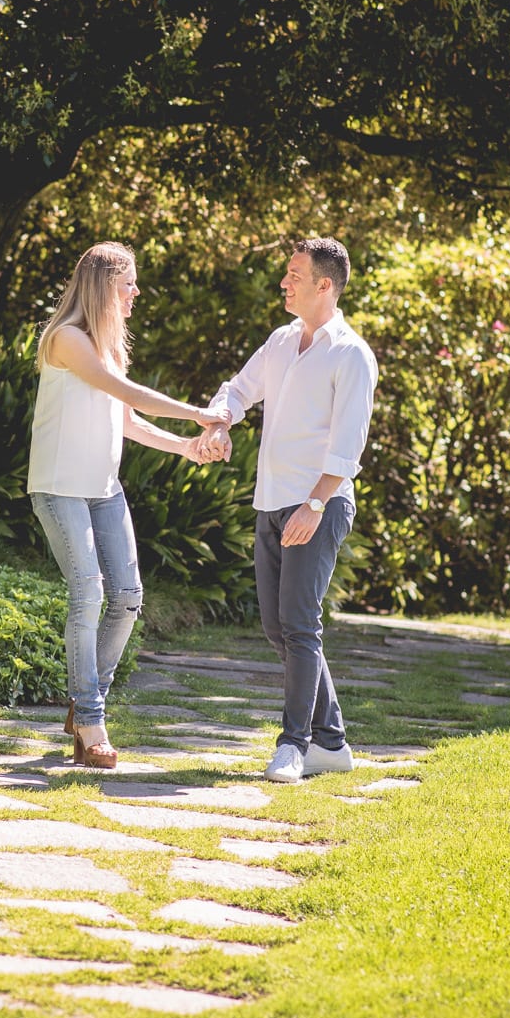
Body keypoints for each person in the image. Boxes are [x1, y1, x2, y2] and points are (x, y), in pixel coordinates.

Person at [27, 242, 227, 769]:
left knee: (128, 596)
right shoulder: (66, 339)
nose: (137, 292)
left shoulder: (109, 346)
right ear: (103, 287)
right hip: (60, 486)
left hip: (104, 488)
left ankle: (85, 701)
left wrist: (187, 446)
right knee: (89, 593)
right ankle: (91, 718)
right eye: (129, 284)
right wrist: (201, 415)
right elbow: (125, 391)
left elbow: (127, 421)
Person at [195, 238, 378, 783]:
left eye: (294, 275)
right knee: (279, 628)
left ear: (325, 285)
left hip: (317, 504)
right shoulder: (280, 341)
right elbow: (239, 389)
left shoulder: (351, 354)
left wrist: (315, 504)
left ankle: (293, 745)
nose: (284, 282)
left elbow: (348, 447)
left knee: (299, 625)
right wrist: (222, 419)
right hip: (272, 499)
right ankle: (333, 741)